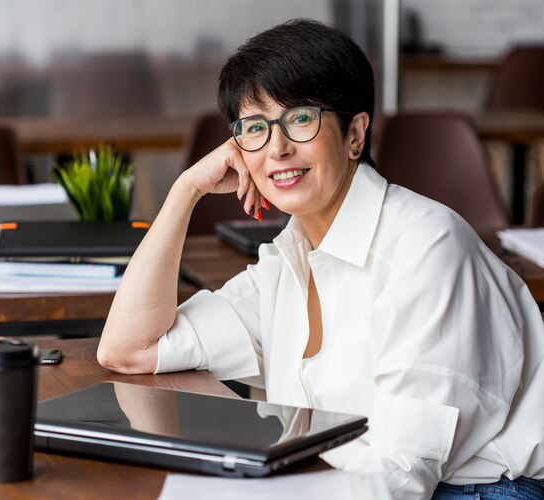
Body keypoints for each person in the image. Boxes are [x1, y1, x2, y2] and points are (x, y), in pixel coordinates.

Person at [98, 19, 544, 499]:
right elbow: (129, 349)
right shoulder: (288, 260)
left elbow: (400, 472)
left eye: (301, 118)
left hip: (479, 490)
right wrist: (186, 190)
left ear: (355, 134)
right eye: (254, 128)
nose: (278, 148)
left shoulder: (427, 246)